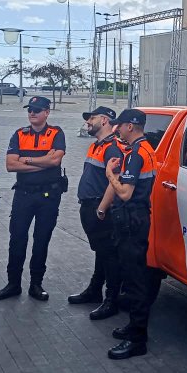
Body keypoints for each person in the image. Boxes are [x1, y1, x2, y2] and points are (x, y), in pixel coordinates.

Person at [0, 96, 67, 302]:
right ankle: (13, 284)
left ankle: (36, 284)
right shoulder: (19, 134)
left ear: (47, 112)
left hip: (48, 196)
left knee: (41, 240)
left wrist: (25, 160)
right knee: (17, 238)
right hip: (23, 195)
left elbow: (55, 161)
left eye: (37, 110)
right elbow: (10, 165)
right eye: (30, 110)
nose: (32, 113)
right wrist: (42, 162)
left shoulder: (56, 133)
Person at [101, 108, 158, 360]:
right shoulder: (146, 149)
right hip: (137, 218)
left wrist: (109, 174)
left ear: (130, 126)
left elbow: (125, 193)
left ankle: (137, 339)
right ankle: (134, 327)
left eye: (120, 126)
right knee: (135, 277)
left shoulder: (136, 154)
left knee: (135, 281)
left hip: (132, 221)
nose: (117, 130)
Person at [69, 106, 123, 320]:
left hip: (101, 209)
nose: (88, 122)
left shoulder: (112, 148)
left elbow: (115, 182)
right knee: (101, 251)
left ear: (104, 120)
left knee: (109, 255)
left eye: (91, 118)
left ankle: (111, 300)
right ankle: (94, 290)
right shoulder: (96, 145)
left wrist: (102, 208)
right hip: (90, 206)